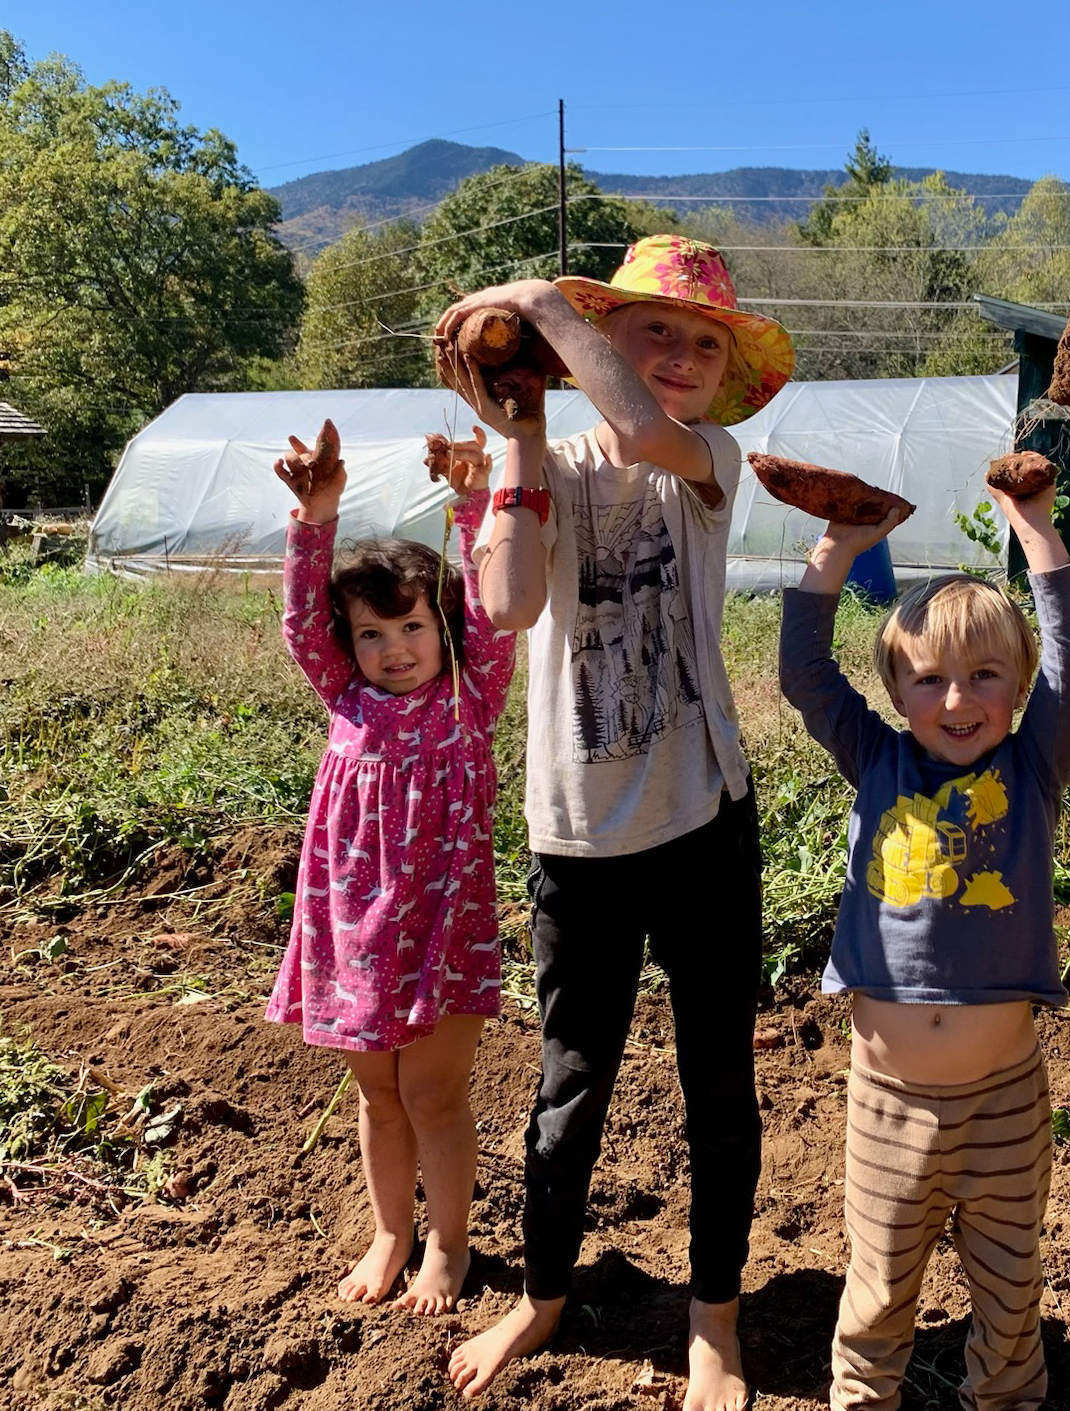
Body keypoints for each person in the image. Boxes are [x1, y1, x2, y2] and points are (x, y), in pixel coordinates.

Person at [430, 237, 796, 1411]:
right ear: (605, 339)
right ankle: (541, 1295)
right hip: (577, 838)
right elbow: (507, 600)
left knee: (714, 1083)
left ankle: (714, 1321)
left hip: (702, 825)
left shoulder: (705, 458)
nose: (681, 357)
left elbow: (640, 432)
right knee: (569, 1081)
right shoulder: (542, 455)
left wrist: (538, 301)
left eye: (702, 342)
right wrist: (521, 428)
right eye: (655, 333)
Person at [778, 471, 1070, 1411]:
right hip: (886, 1102)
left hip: (1004, 1100)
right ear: (896, 689)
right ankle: (862, 1401)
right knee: (879, 1287)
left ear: (1014, 683)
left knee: (1009, 1292)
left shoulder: (1032, 761)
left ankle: (1003, 1400)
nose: (957, 699)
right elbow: (803, 671)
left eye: (985, 675)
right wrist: (837, 550)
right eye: (929, 679)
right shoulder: (876, 756)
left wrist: (1038, 533)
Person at [264, 419, 515, 1316]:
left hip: (440, 930)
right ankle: (390, 1232)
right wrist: (315, 514)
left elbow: (488, 606)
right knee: (377, 1093)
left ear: (442, 629)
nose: (395, 648)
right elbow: (300, 617)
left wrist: (473, 500)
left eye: (412, 625)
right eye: (372, 634)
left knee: (435, 1092)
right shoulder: (347, 698)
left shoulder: (468, 695)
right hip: (352, 929)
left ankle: (448, 1244)